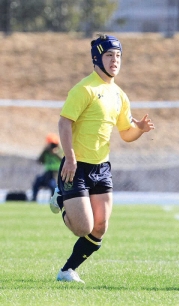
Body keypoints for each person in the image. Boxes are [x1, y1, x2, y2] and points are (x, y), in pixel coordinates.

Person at [50, 34, 155, 283]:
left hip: (102, 168)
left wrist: (139, 128)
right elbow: (64, 123)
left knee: (100, 227)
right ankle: (61, 197)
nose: (115, 60)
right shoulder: (84, 89)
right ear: (97, 58)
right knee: (83, 227)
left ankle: (67, 271)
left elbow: (126, 133)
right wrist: (70, 158)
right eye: (109, 55)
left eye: (118, 56)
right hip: (75, 167)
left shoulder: (120, 95)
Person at [31, 133, 63, 202]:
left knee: (53, 184)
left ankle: (53, 200)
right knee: (37, 181)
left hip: (56, 173)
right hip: (47, 173)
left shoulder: (60, 151)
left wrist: (56, 154)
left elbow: (63, 160)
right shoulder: (46, 152)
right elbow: (39, 161)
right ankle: (34, 198)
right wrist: (44, 151)